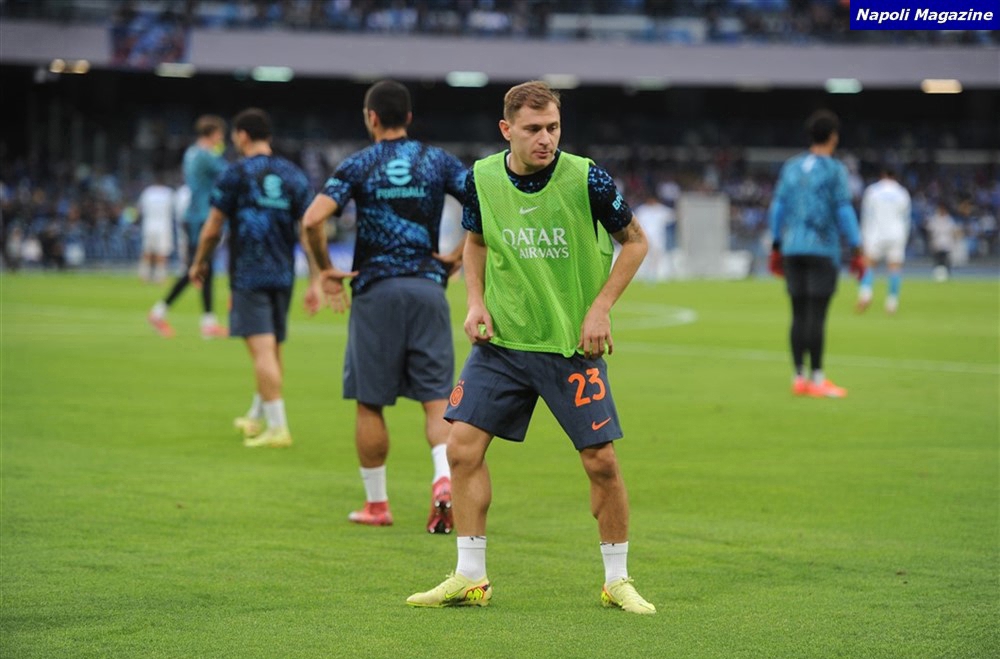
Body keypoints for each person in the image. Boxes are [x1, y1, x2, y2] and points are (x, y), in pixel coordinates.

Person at [406, 81, 655, 614]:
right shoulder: (481, 178)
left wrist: (600, 308)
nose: (546, 139)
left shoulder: (587, 177)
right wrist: (475, 301)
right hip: (503, 344)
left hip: (569, 346)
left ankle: (617, 580)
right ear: (507, 130)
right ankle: (470, 576)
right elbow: (475, 241)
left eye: (554, 128)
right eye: (534, 129)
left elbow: (636, 241)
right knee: (460, 449)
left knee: (601, 462)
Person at [300, 80, 467, 533]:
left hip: (376, 292)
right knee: (436, 401)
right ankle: (443, 480)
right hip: (429, 290)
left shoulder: (359, 163)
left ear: (371, 117)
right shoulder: (437, 161)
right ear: (408, 118)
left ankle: (377, 504)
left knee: (370, 403)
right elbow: (485, 207)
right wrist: (456, 255)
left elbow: (312, 220)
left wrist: (324, 271)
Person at [190, 108, 311, 448]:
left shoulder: (236, 172)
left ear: (242, 135)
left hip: (248, 273)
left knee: (261, 352)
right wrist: (316, 277)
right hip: (283, 273)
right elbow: (309, 228)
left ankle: (278, 428)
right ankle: (257, 416)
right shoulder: (292, 173)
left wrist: (199, 261)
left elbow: (213, 226)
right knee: (271, 349)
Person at [768, 109, 865, 399]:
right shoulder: (835, 170)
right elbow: (843, 209)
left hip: (792, 248)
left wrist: (776, 244)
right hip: (822, 249)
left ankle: (799, 377)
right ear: (833, 137)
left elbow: (778, 207)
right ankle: (818, 378)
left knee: (798, 314)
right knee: (816, 315)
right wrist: (857, 247)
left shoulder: (792, 167)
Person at [149, 115, 228, 339]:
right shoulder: (205, 155)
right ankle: (159, 312)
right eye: (220, 135)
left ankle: (208, 322)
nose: (221, 139)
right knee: (196, 267)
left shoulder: (191, 153)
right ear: (213, 134)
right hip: (202, 216)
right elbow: (228, 172)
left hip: (194, 214)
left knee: (204, 268)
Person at [856, 166, 912, 314]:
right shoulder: (902, 193)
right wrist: (904, 237)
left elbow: (866, 215)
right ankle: (891, 303)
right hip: (897, 234)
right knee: (895, 268)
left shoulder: (872, 191)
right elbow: (906, 218)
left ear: (882, 175)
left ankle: (865, 295)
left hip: (876, 233)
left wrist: (863, 236)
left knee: (869, 265)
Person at [137, 171, 175, 284]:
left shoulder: (147, 192)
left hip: (148, 225)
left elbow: (139, 209)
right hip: (163, 226)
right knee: (162, 252)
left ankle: (144, 275)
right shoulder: (168, 193)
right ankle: (160, 276)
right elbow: (174, 210)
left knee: (147, 251)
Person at [633, 191, 674, 281]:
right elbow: (635, 222)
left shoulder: (661, 209)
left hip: (658, 238)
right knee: (645, 257)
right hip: (645, 237)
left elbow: (673, 216)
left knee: (656, 258)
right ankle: (645, 275)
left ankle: (653, 276)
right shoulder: (642, 210)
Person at [925, 202, 958, 282]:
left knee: (946, 261)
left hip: (947, 243)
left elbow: (953, 231)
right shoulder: (934, 219)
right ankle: (937, 276)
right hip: (937, 243)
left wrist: (954, 241)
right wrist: (931, 241)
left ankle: (947, 276)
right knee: (937, 261)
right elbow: (929, 231)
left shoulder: (949, 219)